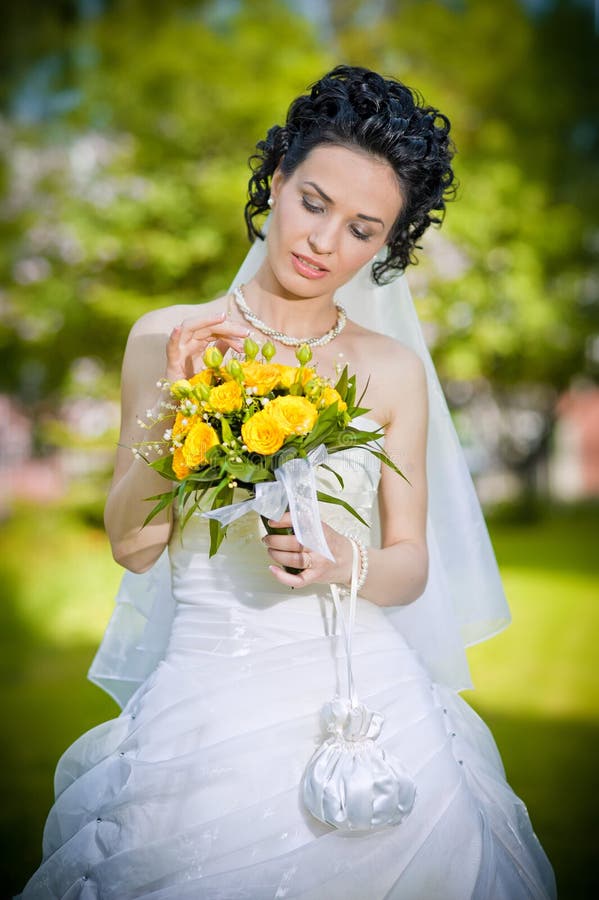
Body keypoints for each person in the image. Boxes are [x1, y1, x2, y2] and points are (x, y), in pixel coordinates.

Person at [20, 65, 556, 899]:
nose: (323, 242)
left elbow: (412, 561)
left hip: (365, 695)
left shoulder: (390, 370)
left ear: (387, 245)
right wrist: (178, 407)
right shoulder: (167, 336)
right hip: (207, 693)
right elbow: (130, 546)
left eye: (361, 228)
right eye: (313, 203)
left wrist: (350, 564)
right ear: (274, 183)